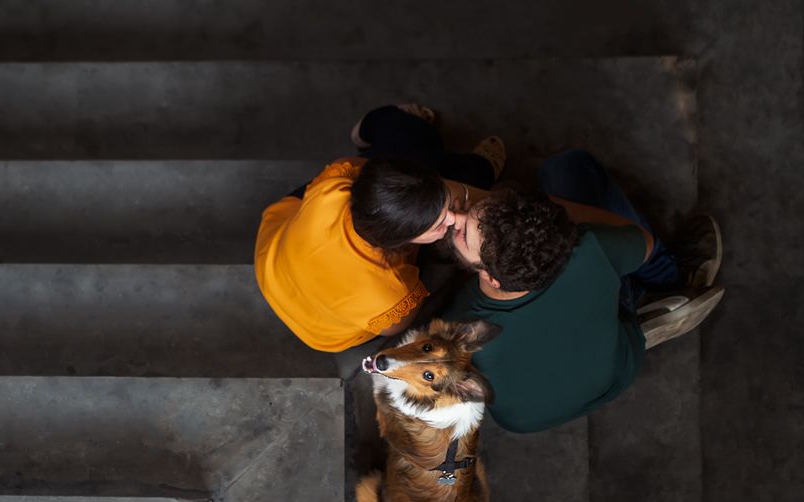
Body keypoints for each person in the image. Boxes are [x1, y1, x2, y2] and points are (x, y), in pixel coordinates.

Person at [442, 149, 723, 433]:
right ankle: (668, 281)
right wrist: (542, 217)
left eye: (464, 232)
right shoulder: (588, 248)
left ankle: (636, 309)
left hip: (527, 418)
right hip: (615, 373)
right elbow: (644, 242)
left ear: (491, 277)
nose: (455, 216)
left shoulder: (458, 322)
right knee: (567, 168)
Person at [254, 104, 505, 352]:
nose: (453, 219)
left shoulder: (334, 189)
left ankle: (371, 128)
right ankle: (477, 168)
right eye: (439, 224)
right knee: (428, 150)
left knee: (416, 148)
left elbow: (367, 171)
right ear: (403, 242)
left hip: (274, 259)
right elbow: (395, 327)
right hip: (324, 330)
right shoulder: (390, 293)